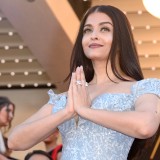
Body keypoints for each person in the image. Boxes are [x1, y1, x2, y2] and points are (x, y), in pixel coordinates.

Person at [8, 5, 160, 160]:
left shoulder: (142, 88)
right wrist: (67, 112)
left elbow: (145, 126)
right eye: (87, 30)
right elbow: (15, 141)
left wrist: (84, 111)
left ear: (122, 39)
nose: (93, 35)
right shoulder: (70, 98)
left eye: (104, 29)